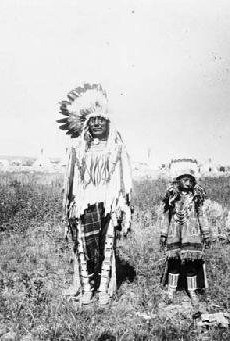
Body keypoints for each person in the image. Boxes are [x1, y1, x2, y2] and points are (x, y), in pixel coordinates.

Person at [58, 83, 133, 305]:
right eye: (93, 121)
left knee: (107, 247)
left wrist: (121, 205)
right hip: (84, 204)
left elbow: (123, 179)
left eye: (102, 120)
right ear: (86, 126)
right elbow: (71, 182)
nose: (97, 124)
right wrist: (71, 204)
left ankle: (102, 290)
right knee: (84, 247)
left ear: (108, 123)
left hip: (109, 204)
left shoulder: (116, 149)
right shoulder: (78, 150)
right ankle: (87, 288)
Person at [159, 160, 210, 306]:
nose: (188, 183)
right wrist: (163, 233)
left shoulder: (196, 196)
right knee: (174, 262)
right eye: (185, 180)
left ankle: (192, 291)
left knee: (191, 263)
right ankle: (171, 290)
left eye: (190, 180)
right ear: (178, 180)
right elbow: (166, 215)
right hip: (174, 233)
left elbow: (202, 215)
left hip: (191, 234)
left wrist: (206, 233)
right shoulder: (172, 196)